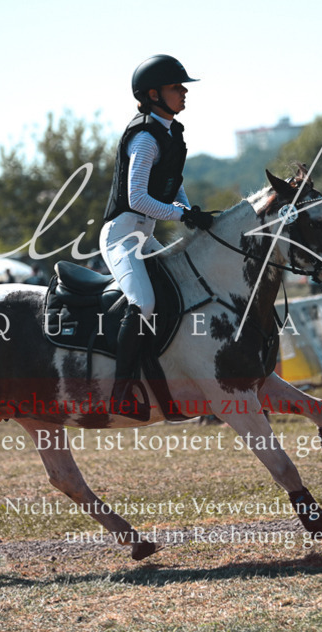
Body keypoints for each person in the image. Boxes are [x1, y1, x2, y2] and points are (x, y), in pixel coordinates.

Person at [100, 54, 214, 420]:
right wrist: (182, 214)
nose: (183, 93)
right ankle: (120, 390)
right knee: (145, 305)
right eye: (175, 87)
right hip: (121, 236)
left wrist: (188, 208)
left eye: (182, 87)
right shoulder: (145, 137)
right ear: (153, 94)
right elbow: (137, 198)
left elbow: (171, 182)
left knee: (181, 291)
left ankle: (170, 387)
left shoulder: (170, 132)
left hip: (144, 235)